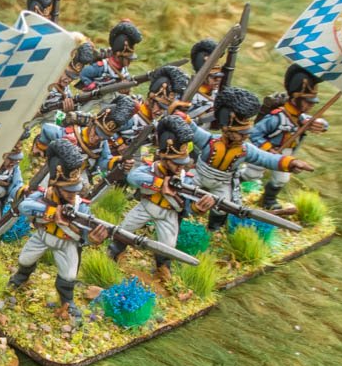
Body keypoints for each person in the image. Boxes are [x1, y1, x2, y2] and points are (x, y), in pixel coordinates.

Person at [8, 139, 108, 321]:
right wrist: (53, 212)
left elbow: (86, 229)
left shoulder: (80, 206)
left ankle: (67, 302)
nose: (73, 195)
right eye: (68, 191)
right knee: (25, 259)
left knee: (68, 275)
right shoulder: (43, 196)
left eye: (75, 191)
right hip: (43, 235)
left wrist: (91, 238)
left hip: (66, 242)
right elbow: (24, 206)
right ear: (56, 186)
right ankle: (20, 279)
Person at [108, 115, 216, 283]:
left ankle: (162, 269)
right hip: (147, 207)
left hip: (168, 214)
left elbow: (188, 203)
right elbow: (133, 177)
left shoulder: (185, 179)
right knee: (125, 230)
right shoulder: (152, 169)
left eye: (182, 163)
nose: (180, 167)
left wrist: (197, 208)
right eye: (175, 163)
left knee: (168, 246)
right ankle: (115, 254)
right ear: (164, 158)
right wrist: (160, 183)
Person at [190, 86, 315, 230]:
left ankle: (214, 228)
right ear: (227, 129)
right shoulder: (209, 141)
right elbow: (192, 129)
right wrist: (181, 116)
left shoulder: (246, 150)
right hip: (199, 176)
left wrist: (291, 163)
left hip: (222, 183)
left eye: (246, 133)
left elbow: (267, 158)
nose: (245, 136)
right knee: (183, 195)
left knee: (222, 207)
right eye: (241, 134)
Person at [241, 63, 330, 209]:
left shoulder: (302, 119)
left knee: (281, 178)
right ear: (295, 98)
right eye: (307, 101)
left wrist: (322, 125)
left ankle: (268, 201)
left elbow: (319, 123)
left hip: (285, 154)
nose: (311, 105)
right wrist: (268, 149)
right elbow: (255, 133)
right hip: (265, 151)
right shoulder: (276, 117)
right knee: (251, 174)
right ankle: (232, 185)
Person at [80, 20, 142, 90]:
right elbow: (84, 73)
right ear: (118, 56)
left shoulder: (124, 70)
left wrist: (127, 88)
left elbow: (127, 81)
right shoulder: (101, 67)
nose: (129, 62)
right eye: (127, 59)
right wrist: (91, 85)